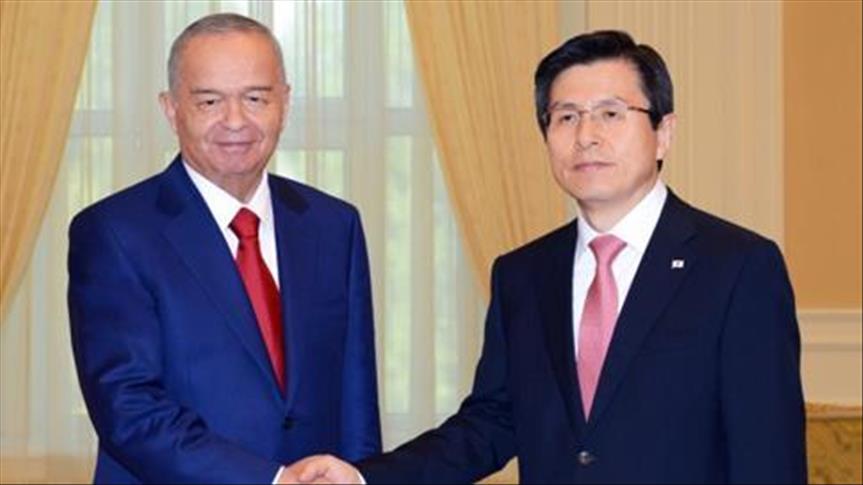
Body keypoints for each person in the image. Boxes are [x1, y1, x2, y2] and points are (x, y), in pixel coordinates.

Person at [284, 30, 807, 484]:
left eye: (611, 114)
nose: (586, 136)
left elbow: (768, 455)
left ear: (663, 133)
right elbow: (491, 423)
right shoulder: (523, 274)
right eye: (565, 117)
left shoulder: (737, 267)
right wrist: (365, 477)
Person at [67, 13, 381, 484]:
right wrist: (272, 480)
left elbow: (356, 399)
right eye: (210, 101)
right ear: (171, 109)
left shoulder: (334, 225)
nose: (235, 121)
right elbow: (128, 408)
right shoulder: (114, 232)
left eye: (256, 98)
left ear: (285, 103)